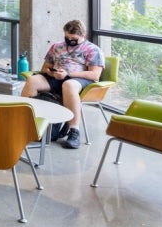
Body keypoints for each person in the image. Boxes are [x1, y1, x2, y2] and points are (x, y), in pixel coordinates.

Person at [20, 19, 105, 149]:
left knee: (68, 85)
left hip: (78, 80)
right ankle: (27, 122)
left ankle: (74, 131)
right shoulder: (57, 46)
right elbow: (45, 68)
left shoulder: (93, 50)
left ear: (83, 35)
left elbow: (95, 75)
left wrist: (68, 74)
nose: (70, 40)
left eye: (74, 38)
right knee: (32, 81)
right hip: (56, 77)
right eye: (67, 37)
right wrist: (51, 72)